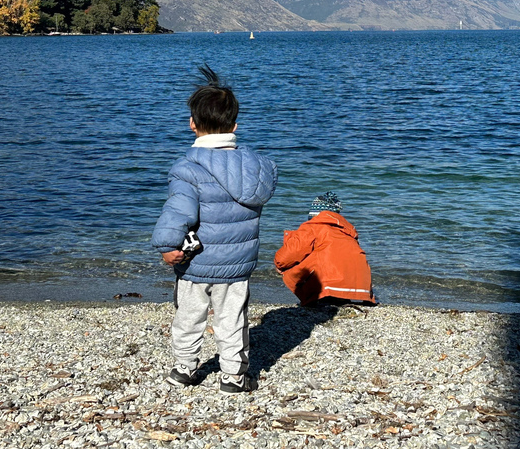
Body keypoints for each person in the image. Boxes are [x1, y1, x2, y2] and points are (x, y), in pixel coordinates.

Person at [151, 65, 277, 393]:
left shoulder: (187, 168)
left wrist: (167, 245)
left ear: (192, 124)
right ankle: (234, 377)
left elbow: (177, 212)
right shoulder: (254, 169)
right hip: (237, 264)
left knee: (189, 317)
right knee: (232, 320)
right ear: (234, 125)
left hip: (196, 262)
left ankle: (184, 370)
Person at [274, 192, 376, 306]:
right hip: (361, 288)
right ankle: (343, 295)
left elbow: (289, 254)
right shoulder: (348, 231)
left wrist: (280, 265)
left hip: (330, 286)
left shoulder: (312, 227)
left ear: (314, 214)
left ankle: (321, 294)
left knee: (297, 259)